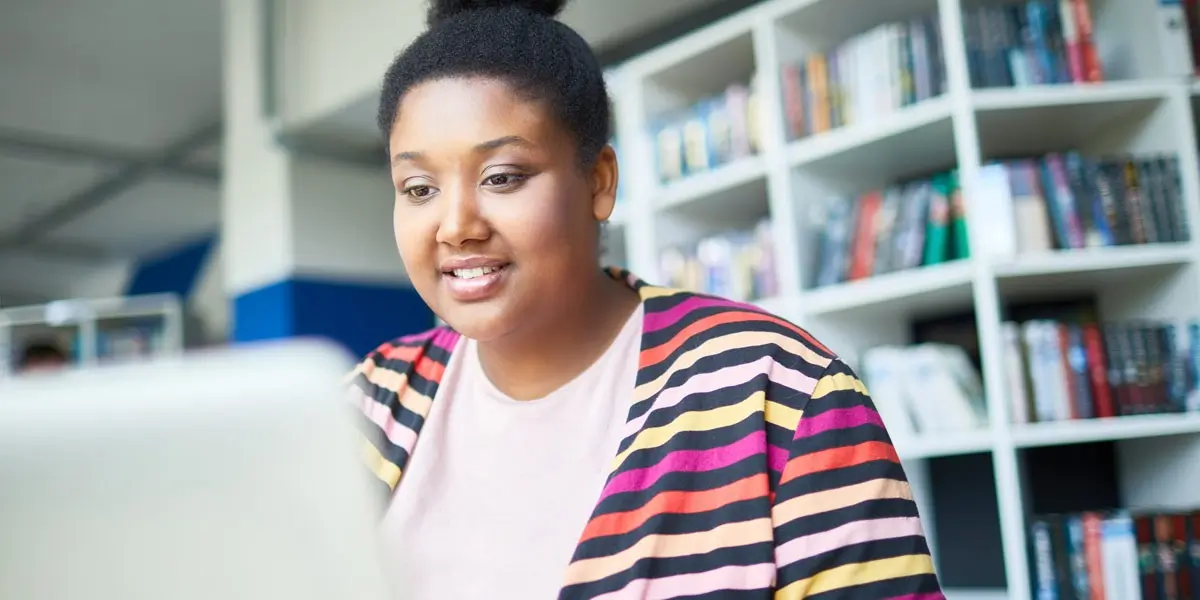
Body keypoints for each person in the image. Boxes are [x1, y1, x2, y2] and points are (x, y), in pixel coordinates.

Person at [347, 0, 946, 598]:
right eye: (419, 187)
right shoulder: (371, 401)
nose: (455, 226)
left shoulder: (775, 388)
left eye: (502, 176)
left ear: (599, 182)